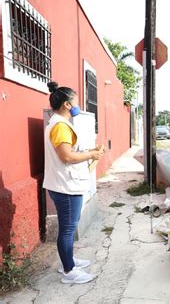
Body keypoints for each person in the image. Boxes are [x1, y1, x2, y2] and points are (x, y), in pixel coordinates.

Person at [43, 81, 104, 284]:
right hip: (65, 187)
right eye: (76, 101)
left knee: (68, 227)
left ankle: (67, 260)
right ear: (67, 105)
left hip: (63, 183)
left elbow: (69, 154)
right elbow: (67, 157)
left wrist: (90, 153)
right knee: (68, 229)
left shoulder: (58, 123)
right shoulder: (60, 125)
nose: (78, 105)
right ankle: (69, 271)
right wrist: (91, 154)